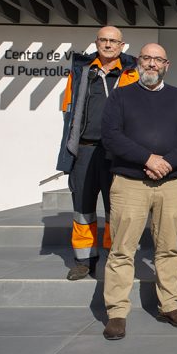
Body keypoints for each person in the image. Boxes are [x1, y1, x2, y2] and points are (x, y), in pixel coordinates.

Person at [100, 43, 177, 340]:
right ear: (137, 62)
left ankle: (169, 305)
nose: (151, 64)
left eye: (157, 60)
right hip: (130, 183)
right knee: (122, 250)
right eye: (146, 58)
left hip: (170, 183)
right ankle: (117, 312)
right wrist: (148, 159)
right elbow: (111, 136)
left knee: (168, 248)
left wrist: (167, 162)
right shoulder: (120, 96)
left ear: (166, 64)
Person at [56, 26, 139, 281]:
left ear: (121, 45)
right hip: (85, 150)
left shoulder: (132, 73)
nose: (108, 44)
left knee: (117, 209)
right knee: (83, 208)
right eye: (103, 40)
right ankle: (84, 261)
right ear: (96, 42)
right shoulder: (82, 72)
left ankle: (116, 257)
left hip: (118, 154)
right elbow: (68, 111)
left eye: (113, 41)